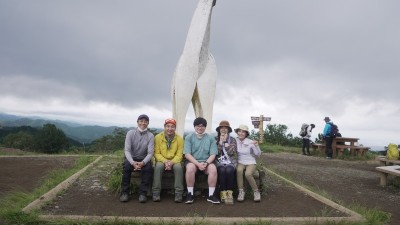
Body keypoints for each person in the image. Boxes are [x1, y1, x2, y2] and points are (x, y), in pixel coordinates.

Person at [183, 117, 220, 204]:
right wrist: (198, 164)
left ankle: (211, 195)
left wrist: (206, 163)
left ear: (205, 127)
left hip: (207, 161)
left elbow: (213, 154)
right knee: (190, 168)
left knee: (213, 169)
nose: (200, 128)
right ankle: (190, 194)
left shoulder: (210, 138)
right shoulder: (189, 137)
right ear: (194, 126)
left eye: (202, 126)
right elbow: (187, 154)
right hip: (193, 161)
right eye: (198, 126)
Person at [119, 114, 154, 203]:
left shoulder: (150, 136)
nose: (143, 123)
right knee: (126, 167)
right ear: (137, 122)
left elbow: (150, 153)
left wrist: (143, 162)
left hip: (143, 158)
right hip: (131, 158)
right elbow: (127, 150)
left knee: (148, 168)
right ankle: (125, 193)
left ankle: (143, 193)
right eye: (141, 121)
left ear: (148, 123)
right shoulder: (130, 133)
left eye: (145, 121)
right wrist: (132, 162)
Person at [152, 118, 184, 203]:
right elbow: (156, 153)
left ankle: (178, 192)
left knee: (178, 168)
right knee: (158, 167)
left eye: (172, 126)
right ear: (164, 127)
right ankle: (156, 192)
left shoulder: (180, 139)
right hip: (162, 160)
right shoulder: (158, 137)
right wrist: (165, 161)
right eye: (168, 126)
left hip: (175, 160)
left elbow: (179, 154)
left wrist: (172, 162)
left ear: (175, 128)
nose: (170, 128)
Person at [235, 124, 262, 202]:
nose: (241, 133)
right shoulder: (235, 141)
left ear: (246, 134)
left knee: (248, 174)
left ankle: (256, 191)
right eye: (239, 131)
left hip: (251, 162)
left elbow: (258, 154)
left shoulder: (250, 142)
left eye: (243, 132)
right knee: (239, 170)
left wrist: (256, 146)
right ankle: (241, 191)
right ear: (237, 132)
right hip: (240, 161)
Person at [215, 120, 237, 204]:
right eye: (222, 128)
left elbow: (232, 152)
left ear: (228, 130)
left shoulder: (232, 140)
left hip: (230, 161)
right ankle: (223, 193)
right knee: (221, 170)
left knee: (229, 170)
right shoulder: (215, 139)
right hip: (219, 161)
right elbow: (215, 152)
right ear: (219, 130)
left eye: (225, 128)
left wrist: (227, 145)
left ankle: (229, 193)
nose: (224, 129)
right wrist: (220, 143)